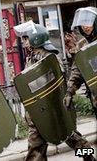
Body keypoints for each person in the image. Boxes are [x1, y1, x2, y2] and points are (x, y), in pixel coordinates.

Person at [14, 21, 96, 161]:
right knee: (36, 147)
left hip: (54, 109)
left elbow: (57, 79)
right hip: (39, 111)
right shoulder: (32, 56)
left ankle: (88, 157)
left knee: (73, 139)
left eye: (26, 38)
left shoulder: (48, 57)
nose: (23, 42)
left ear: (35, 38)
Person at [64, 6, 97, 118]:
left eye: (89, 22)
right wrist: (69, 92)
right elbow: (77, 70)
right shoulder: (82, 45)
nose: (85, 26)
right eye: (83, 23)